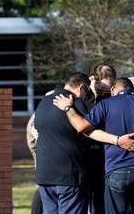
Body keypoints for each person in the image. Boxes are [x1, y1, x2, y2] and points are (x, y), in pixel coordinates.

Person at [53, 77, 134, 213]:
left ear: (113, 90)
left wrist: (68, 108)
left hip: (118, 169)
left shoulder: (106, 104)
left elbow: (82, 127)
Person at [34, 72, 91, 214]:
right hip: (69, 173)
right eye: (88, 92)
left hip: (45, 174)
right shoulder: (77, 104)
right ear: (81, 87)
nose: (87, 96)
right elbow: (87, 134)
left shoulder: (43, 102)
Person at [85, 63, 116, 214]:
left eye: (108, 90)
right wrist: (92, 94)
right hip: (88, 156)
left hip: (108, 156)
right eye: (101, 90)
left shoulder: (116, 97)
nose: (105, 94)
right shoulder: (86, 98)